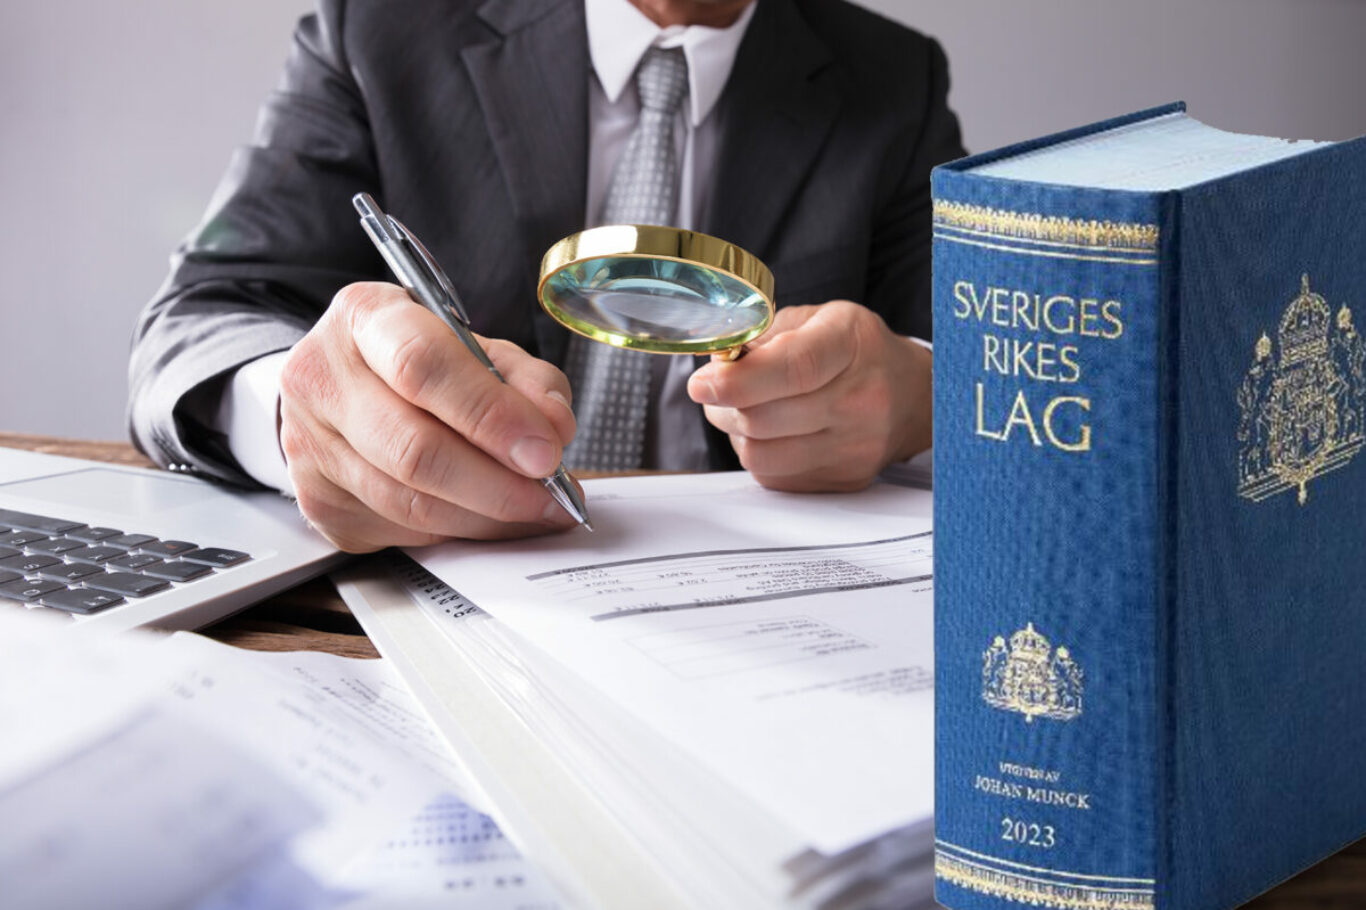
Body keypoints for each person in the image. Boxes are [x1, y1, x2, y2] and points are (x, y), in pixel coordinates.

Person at [128, 0, 964, 552]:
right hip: (437, 586)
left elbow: (987, 361)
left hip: (753, 602)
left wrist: (918, 398)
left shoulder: (895, 79)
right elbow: (201, 318)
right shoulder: (380, 25)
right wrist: (302, 412)